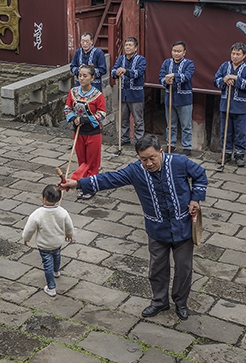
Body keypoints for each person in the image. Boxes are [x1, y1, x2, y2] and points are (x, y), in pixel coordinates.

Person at [58, 134, 207, 321]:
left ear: (161, 152)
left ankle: (181, 302)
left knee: (184, 268)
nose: (149, 163)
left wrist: (195, 198)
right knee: (157, 268)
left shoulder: (180, 162)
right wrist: (78, 184)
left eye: (152, 158)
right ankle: (159, 301)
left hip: (183, 226)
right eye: (144, 159)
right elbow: (109, 179)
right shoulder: (135, 171)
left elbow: (200, 175)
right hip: (156, 229)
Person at [22, 184, 74, 297]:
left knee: (47, 264)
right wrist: (69, 234)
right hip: (57, 242)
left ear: (43, 198)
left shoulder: (37, 214)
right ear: (59, 199)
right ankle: (56, 271)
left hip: (44, 245)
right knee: (57, 255)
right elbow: (69, 225)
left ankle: (51, 287)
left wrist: (26, 239)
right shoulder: (62, 212)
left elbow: (29, 229)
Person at [64, 64, 107, 200]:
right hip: (78, 132)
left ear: (92, 78)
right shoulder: (73, 92)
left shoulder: (98, 95)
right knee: (82, 160)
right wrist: (73, 118)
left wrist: (86, 119)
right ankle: (82, 184)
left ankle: (90, 186)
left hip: (93, 132)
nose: (81, 78)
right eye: (80, 75)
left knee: (92, 162)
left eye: (85, 76)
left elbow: (102, 113)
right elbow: (67, 108)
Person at [213, 42, 246, 167]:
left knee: (240, 132)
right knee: (226, 131)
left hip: (241, 106)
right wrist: (224, 80)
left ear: (244, 55)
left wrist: (236, 79)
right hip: (225, 104)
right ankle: (226, 153)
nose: (235, 56)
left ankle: (239, 155)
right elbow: (215, 80)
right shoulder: (224, 66)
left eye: (238, 54)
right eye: (233, 53)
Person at [159, 41, 195, 156]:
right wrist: (165, 81)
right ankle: (171, 144)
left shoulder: (189, 63)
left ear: (184, 52)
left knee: (186, 125)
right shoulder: (166, 63)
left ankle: (187, 146)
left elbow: (187, 76)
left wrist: (174, 76)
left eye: (179, 51)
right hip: (169, 98)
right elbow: (161, 76)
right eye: (174, 51)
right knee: (170, 124)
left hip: (184, 99)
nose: (176, 54)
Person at [112, 37, 146, 146]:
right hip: (123, 94)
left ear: (135, 48)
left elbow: (138, 73)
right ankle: (124, 138)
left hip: (136, 95)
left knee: (138, 120)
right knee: (123, 119)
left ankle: (139, 140)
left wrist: (126, 71)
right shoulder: (121, 59)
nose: (127, 47)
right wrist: (116, 72)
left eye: (130, 45)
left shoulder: (141, 60)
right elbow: (113, 70)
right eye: (126, 45)